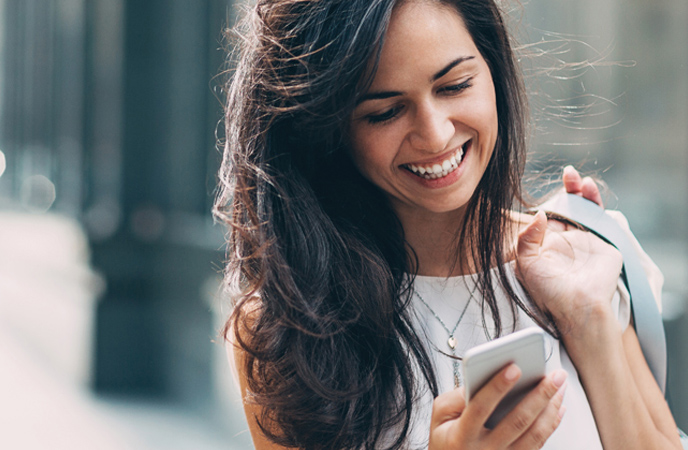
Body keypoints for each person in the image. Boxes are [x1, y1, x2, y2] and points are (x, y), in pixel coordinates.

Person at [214, 0, 682, 449]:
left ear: (493, 71)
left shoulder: (581, 261)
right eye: (385, 112)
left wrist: (589, 320)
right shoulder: (287, 323)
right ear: (331, 131)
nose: (436, 134)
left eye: (455, 85)